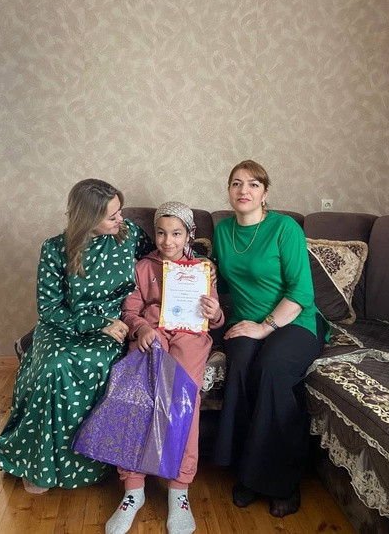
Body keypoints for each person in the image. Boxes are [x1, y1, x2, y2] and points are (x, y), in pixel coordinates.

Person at [0, 179, 155, 493]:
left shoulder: (130, 233)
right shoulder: (54, 249)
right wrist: (96, 323)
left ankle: (88, 461)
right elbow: (49, 308)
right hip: (64, 324)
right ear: (88, 218)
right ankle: (38, 464)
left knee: (96, 362)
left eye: (119, 211)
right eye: (112, 216)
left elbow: (161, 259)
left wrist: (200, 264)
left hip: (114, 322)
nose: (120, 219)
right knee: (53, 365)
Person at [211, 160, 330, 517]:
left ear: (265, 193)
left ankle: (282, 481)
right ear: (228, 191)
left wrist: (265, 327)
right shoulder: (223, 231)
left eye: (253, 184)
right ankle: (247, 473)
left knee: (273, 366)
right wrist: (204, 279)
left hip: (295, 320)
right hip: (245, 321)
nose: (243, 190)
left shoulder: (284, 228)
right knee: (241, 363)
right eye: (236, 183)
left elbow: (301, 292)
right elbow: (223, 282)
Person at [105, 201, 225, 534]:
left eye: (175, 234)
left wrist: (215, 313)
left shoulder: (202, 269)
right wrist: (141, 328)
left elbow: (216, 317)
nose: (167, 241)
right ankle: (133, 490)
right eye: (161, 233)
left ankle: (179, 491)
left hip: (190, 336)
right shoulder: (143, 267)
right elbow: (130, 311)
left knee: (184, 400)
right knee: (136, 397)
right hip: (152, 334)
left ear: (189, 235)